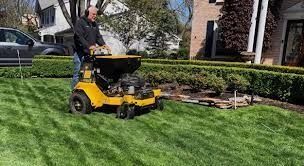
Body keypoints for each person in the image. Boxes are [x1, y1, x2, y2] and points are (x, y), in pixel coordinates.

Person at [71, 6, 106, 89]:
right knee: (78, 73)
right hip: (80, 53)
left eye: (96, 14)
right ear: (87, 13)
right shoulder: (80, 23)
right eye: (93, 14)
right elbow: (79, 37)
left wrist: (104, 45)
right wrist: (89, 46)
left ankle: (88, 91)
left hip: (91, 54)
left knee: (91, 74)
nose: (95, 16)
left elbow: (98, 37)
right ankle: (75, 92)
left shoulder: (94, 24)